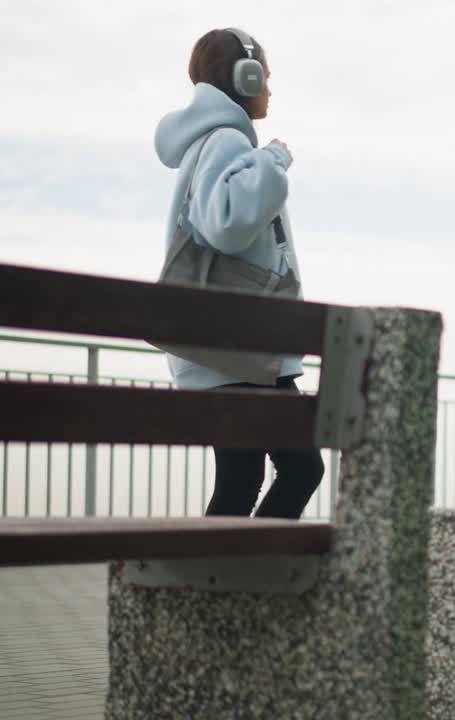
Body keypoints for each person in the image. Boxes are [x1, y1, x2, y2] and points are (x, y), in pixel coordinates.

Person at [154, 28, 323, 518]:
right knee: (300, 469)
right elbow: (226, 223)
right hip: (240, 353)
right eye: (265, 76)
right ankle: (245, 582)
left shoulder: (208, 142)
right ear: (244, 77)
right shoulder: (227, 140)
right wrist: (273, 159)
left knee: (242, 478)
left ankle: (221, 585)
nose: (269, 87)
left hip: (230, 352)